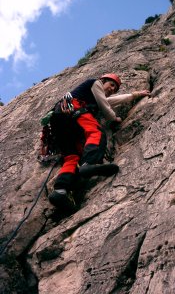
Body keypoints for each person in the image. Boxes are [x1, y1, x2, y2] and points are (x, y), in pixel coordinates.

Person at [48, 73, 150, 209]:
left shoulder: (95, 96)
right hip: (73, 109)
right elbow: (104, 106)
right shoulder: (94, 83)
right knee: (95, 132)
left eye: (115, 88)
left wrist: (136, 95)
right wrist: (114, 118)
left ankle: (60, 191)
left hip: (59, 122)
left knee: (72, 156)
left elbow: (114, 100)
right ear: (103, 81)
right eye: (112, 84)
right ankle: (89, 163)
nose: (113, 89)